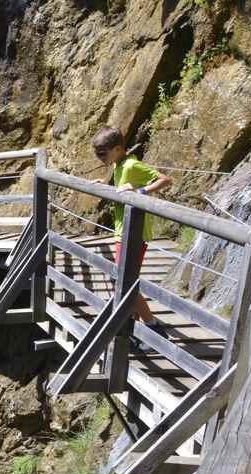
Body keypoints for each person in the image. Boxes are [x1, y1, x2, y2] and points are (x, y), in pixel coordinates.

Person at [91, 126, 172, 348]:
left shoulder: (131, 165)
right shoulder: (118, 165)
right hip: (122, 231)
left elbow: (165, 179)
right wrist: (104, 185)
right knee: (123, 279)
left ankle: (153, 326)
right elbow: (122, 188)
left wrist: (141, 192)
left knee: (124, 281)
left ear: (117, 149)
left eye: (103, 154)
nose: (100, 158)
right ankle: (133, 326)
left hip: (133, 234)